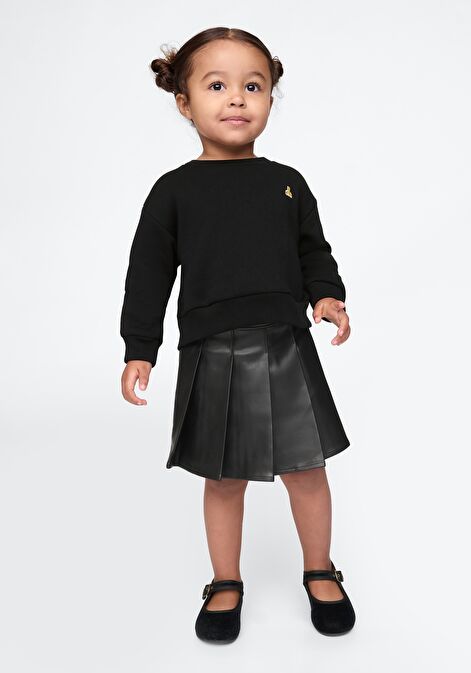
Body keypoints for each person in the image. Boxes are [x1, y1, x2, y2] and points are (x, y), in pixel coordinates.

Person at [119, 26, 356, 643]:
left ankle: (320, 569)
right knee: (223, 478)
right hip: (212, 351)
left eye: (253, 86)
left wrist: (327, 295)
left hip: (286, 345)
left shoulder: (287, 182)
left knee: (308, 469)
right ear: (183, 102)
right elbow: (147, 275)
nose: (237, 99)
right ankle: (225, 580)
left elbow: (314, 251)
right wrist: (139, 349)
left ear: (271, 97)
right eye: (217, 85)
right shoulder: (172, 191)